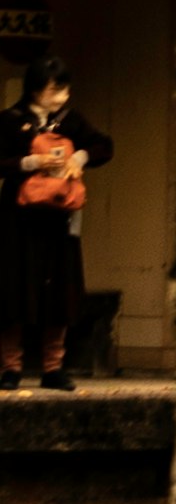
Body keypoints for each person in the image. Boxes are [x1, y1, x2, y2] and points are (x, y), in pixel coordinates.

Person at [5, 66, 105, 389]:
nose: (61, 97)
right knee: (14, 293)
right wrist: (27, 163)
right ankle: (10, 367)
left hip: (60, 221)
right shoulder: (10, 119)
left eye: (64, 90)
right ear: (34, 89)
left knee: (59, 294)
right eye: (54, 90)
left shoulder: (72, 121)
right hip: (18, 221)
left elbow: (105, 146)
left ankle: (53, 367)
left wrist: (80, 156)